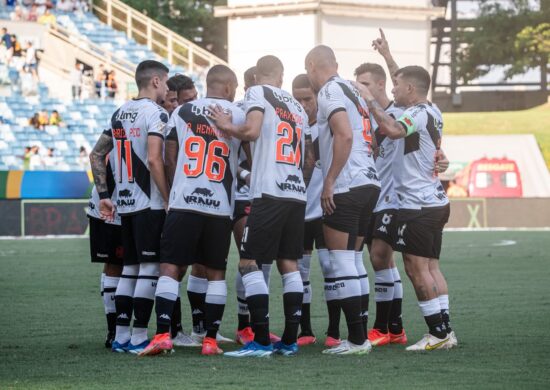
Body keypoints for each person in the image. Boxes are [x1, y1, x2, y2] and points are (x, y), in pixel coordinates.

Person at [209, 55, 315, 357]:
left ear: (257, 76)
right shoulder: (298, 107)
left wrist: (226, 125)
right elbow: (308, 159)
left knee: (248, 262)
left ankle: (260, 341)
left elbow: (252, 131)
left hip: (268, 192)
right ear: (282, 77)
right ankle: (290, 341)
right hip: (296, 194)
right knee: (289, 264)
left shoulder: (257, 93)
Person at [140, 64, 248, 357]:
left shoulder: (181, 112)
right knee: (215, 272)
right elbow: (250, 153)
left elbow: (169, 158)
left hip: (185, 201)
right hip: (220, 206)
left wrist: (175, 192)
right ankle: (210, 340)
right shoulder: (238, 114)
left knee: (170, 268)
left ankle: (163, 335)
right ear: (228, 87)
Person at [355, 64, 456, 351]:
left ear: (410, 89)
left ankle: (437, 333)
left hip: (417, 204)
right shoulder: (433, 110)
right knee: (431, 268)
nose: (394, 88)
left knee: (415, 268)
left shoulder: (417, 112)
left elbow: (393, 128)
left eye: (397, 85)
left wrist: (370, 100)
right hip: (435, 199)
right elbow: (413, 82)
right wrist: (387, 55)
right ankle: (445, 331)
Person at [89, 60, 170, 354]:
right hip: (150, 202)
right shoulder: (156, 113)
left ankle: (121, 335)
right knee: (149, 267)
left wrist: (105, 193)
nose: (168, 89)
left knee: (130, 268)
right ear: (157, 82)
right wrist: (168, 196)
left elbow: (96, 155)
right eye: (166, 82)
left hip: (125, 202)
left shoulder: (119, 112)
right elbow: (153, 160)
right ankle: (138, 336)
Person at [305, 45, 380, 355]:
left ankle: (358, 340)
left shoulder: (329, 91)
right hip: (369, 181)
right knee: (354, 260)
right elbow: (371, 139)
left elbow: (344, 134)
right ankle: (360, 335)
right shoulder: (353, 89)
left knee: (342, 262)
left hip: (347, 184)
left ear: (311, 66)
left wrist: (331, 180)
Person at [291, 74, 326, 347]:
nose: (303, 105)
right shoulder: (289, 127)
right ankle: (305, 330)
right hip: (299, 212)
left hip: (327, 209)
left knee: (331, 268)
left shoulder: (329, 125)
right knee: (301, 271)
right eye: (298, 99)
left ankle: (336, 331)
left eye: (308, 99)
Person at [87, 153, 123, 348]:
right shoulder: (119, 124)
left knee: (118, 265)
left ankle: (117, 328)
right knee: (116, 265)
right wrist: (104, 196)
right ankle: (114, 329)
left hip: (121, 203)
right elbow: (97, 155)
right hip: (111, 205)